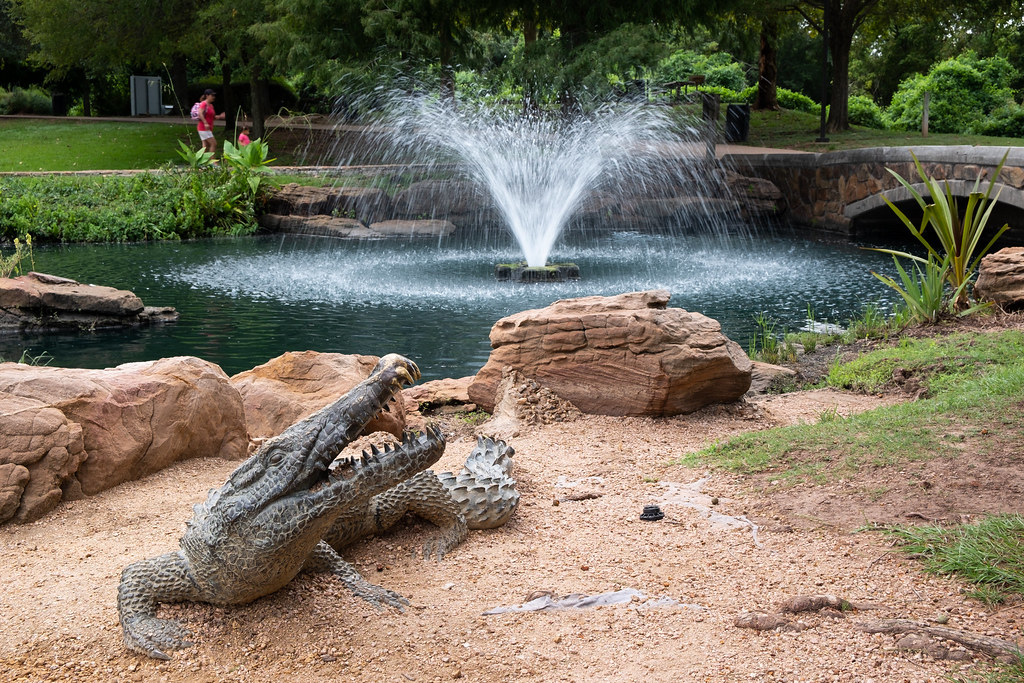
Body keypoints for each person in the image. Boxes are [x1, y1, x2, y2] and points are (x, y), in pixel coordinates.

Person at [196, 89, 226, 155]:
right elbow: (200, 113)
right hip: (203, 128)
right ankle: (212, 161)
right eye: (212, 95)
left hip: (208, 128)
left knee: (205, 146)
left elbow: (212, 117)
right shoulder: (204, 104)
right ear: (207, 95)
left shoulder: (211, 105)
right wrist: (205, 123)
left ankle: (202, 161)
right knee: (213, 143)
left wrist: (220, 116)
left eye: (214, 95)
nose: (213, 97)